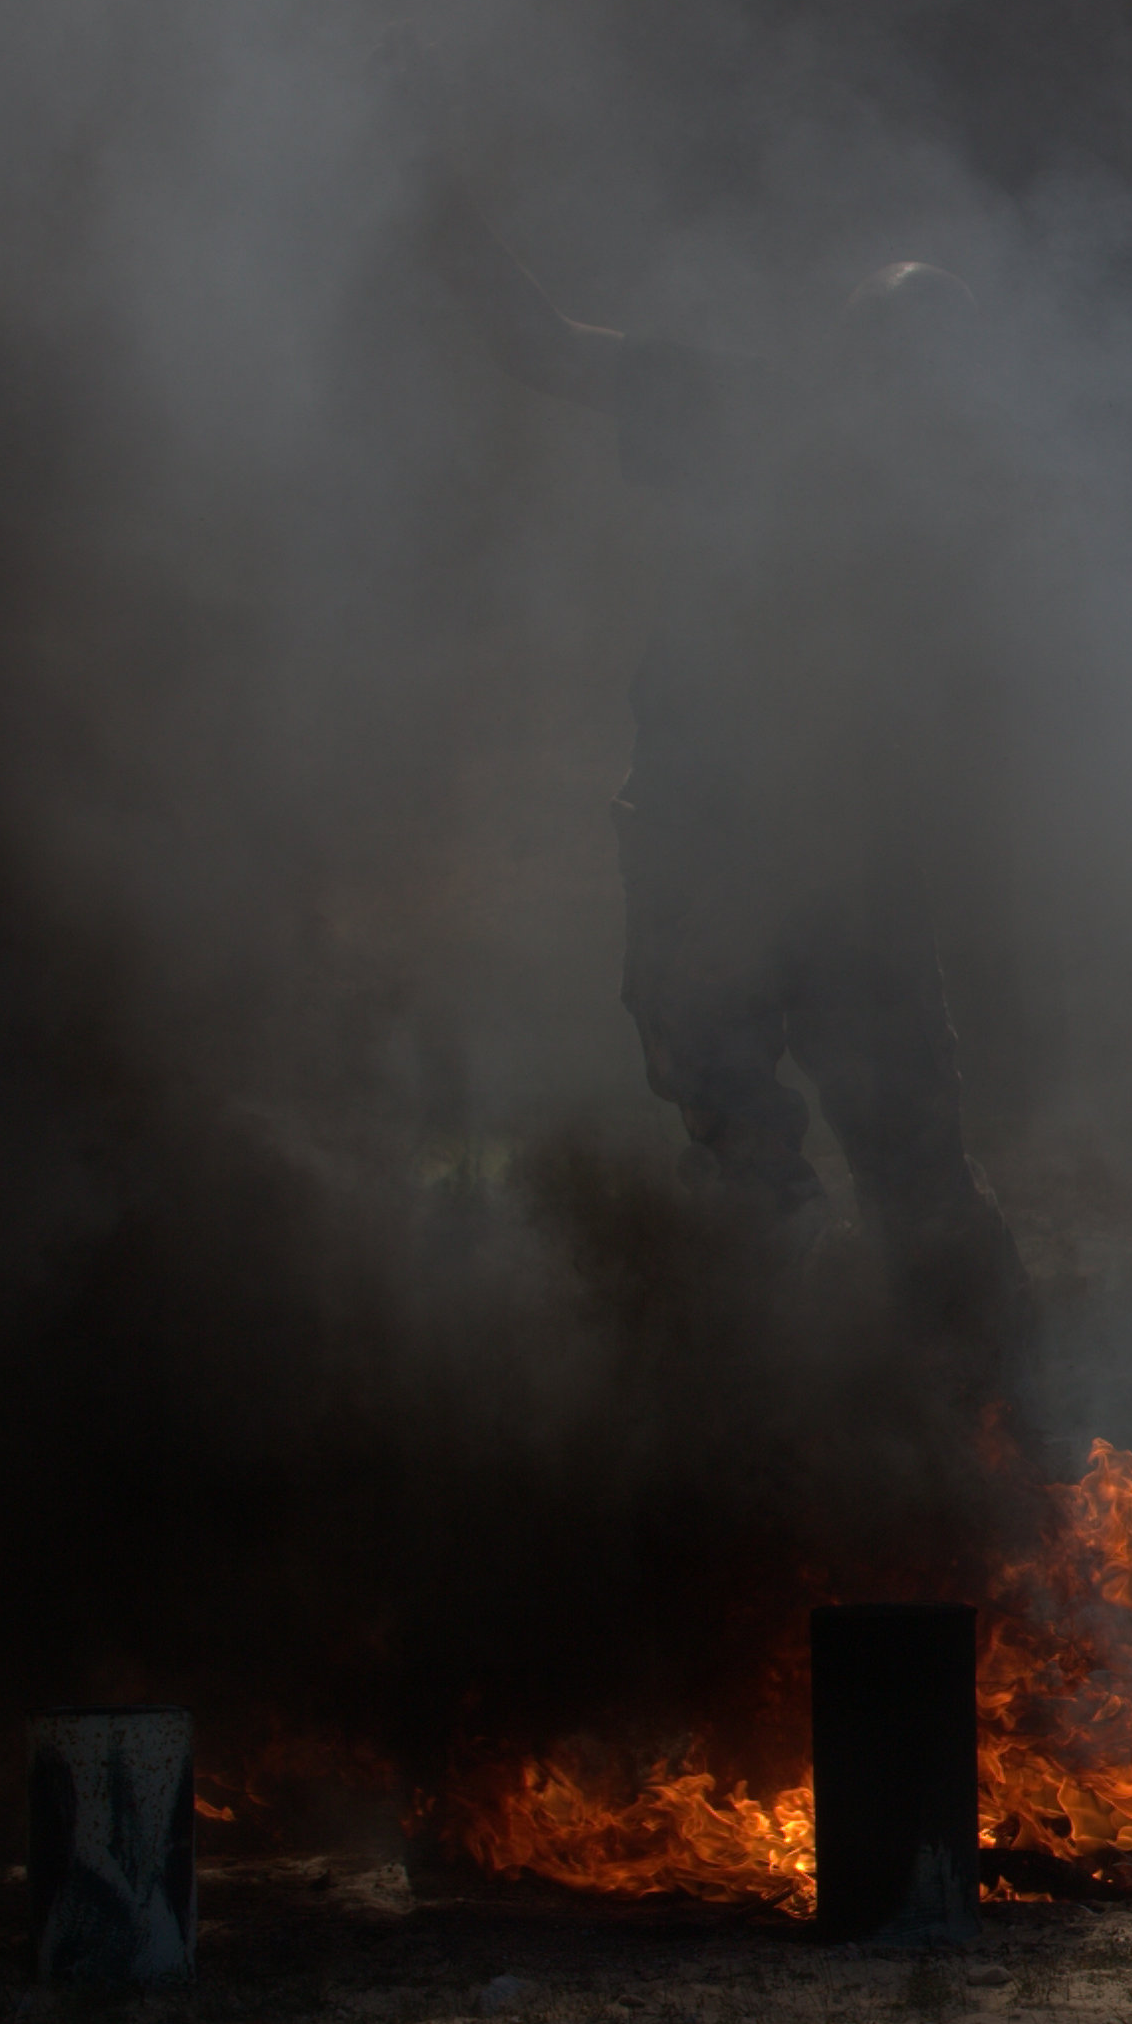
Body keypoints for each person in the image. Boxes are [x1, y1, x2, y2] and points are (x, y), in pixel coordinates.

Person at [410, 128, 1028, 1358]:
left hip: (848, 878)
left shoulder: (949, 513)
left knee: (913, 1182)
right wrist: (438, 188)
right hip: (715, 854)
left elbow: (974, 734)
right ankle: (755, 1447)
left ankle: (985, 1447)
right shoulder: (737, 402)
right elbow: (535, 345)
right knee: (754, 1181)